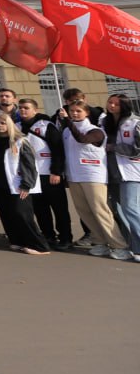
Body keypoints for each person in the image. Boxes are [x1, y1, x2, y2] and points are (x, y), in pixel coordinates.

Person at [61, 99, 129, 259]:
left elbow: (83, 140)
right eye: (72, 111)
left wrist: (68, 122)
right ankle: (100, 242)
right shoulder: (66, 131)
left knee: (100, 211)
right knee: (84, 211)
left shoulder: (96, 131)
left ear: (87, 113)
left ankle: (119, 245)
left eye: (78, 111)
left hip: (93, 176)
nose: (74, 114)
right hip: (74, 176)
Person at [0, 112, 49, 255]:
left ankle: (39, 246)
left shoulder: (20, 141)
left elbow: (29, 164)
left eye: (3, 123)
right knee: (7, 214)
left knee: (22, 215)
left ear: (9, 124)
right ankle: (17, 240)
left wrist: (26, 184)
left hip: (17, 185)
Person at [18, 97, 71, 250]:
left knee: (59, 209)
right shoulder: (17, 126)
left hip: (49, 175)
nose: (23, 110)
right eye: (21, 107)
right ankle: (48, 235)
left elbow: (57, 150)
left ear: (35, 110)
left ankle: (65, 238)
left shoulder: (46, 126)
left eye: (26, 107)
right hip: (33, 176)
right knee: (40, 210)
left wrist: (56, 171)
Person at [106, 96, 140, 260]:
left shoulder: (135, 122)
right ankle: (131, 246)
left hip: (131, 172)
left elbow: (137, 149)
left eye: (116, 103)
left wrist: (114, 147)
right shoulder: (106, 123)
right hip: (112, 172)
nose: (112, 105)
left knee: (131, 209)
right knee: (119, 211)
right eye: (110, 102)